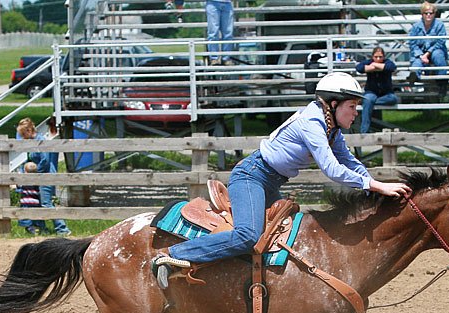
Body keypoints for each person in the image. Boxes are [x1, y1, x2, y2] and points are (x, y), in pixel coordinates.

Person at [152, 72, 412, 289]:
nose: (356, 113)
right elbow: (332, 169)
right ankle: (173, 256)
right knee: (247, 234)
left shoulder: (330, 128)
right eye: (352, 106)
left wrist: (375, 185)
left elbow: (349, 161)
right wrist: (376, 185)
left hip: (269, 181)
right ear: (333, 104)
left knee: (293, 235)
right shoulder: (313, 123)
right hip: (251, 176)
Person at [16, 118, 71, 236]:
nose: (23, 138)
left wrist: (35, 172)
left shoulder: (40, 141)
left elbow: (45, 161)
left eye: (24, 134)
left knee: (46, 203)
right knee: (38, 201)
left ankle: (63, 229)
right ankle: (42, 228)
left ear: (29, 130)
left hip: (45, 175)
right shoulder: (33, 142)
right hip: (38, 176)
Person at [408, 1, 449, 96]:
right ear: (422, 14)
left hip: (435, 50)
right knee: (417, 61)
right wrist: (421, 55)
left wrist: (427, 54)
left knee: (438, 55)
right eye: (426, 13)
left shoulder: (440, 25)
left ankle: (442, 82)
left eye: (431, 13)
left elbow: (441, 41)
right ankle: (414, 75)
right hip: (420, 52)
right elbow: (412, 43)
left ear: (434, 14)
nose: (428, 15)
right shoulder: (416, 26)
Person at [355, 47, 398, 134]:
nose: (378, 59)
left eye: (380, 57)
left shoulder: (387, 62)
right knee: (368, 99)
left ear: (384, 57)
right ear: (372, 56)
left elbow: (392, 67)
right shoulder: (368, 62)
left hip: (386, 94)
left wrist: (374, 66)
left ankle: (368, 102)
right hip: (371, 92)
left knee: (393, 99)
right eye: (376, 57)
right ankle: (364, 132)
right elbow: (359, 68)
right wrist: (380, 67)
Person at [18, 161, 47, 235]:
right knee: (37, 215)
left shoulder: (23, 180)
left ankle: (30, 228)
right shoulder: (36, 180)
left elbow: (18, 185)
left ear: (25, 171)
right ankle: (41, 228)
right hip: (35, 201)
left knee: (25, 216)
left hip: (26, 202)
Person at [206, 0, 234, 66]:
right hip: (212, 2)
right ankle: (214, 58)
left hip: (227, 3)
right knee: (213, 33)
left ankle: (226, 58)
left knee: (228, 33)